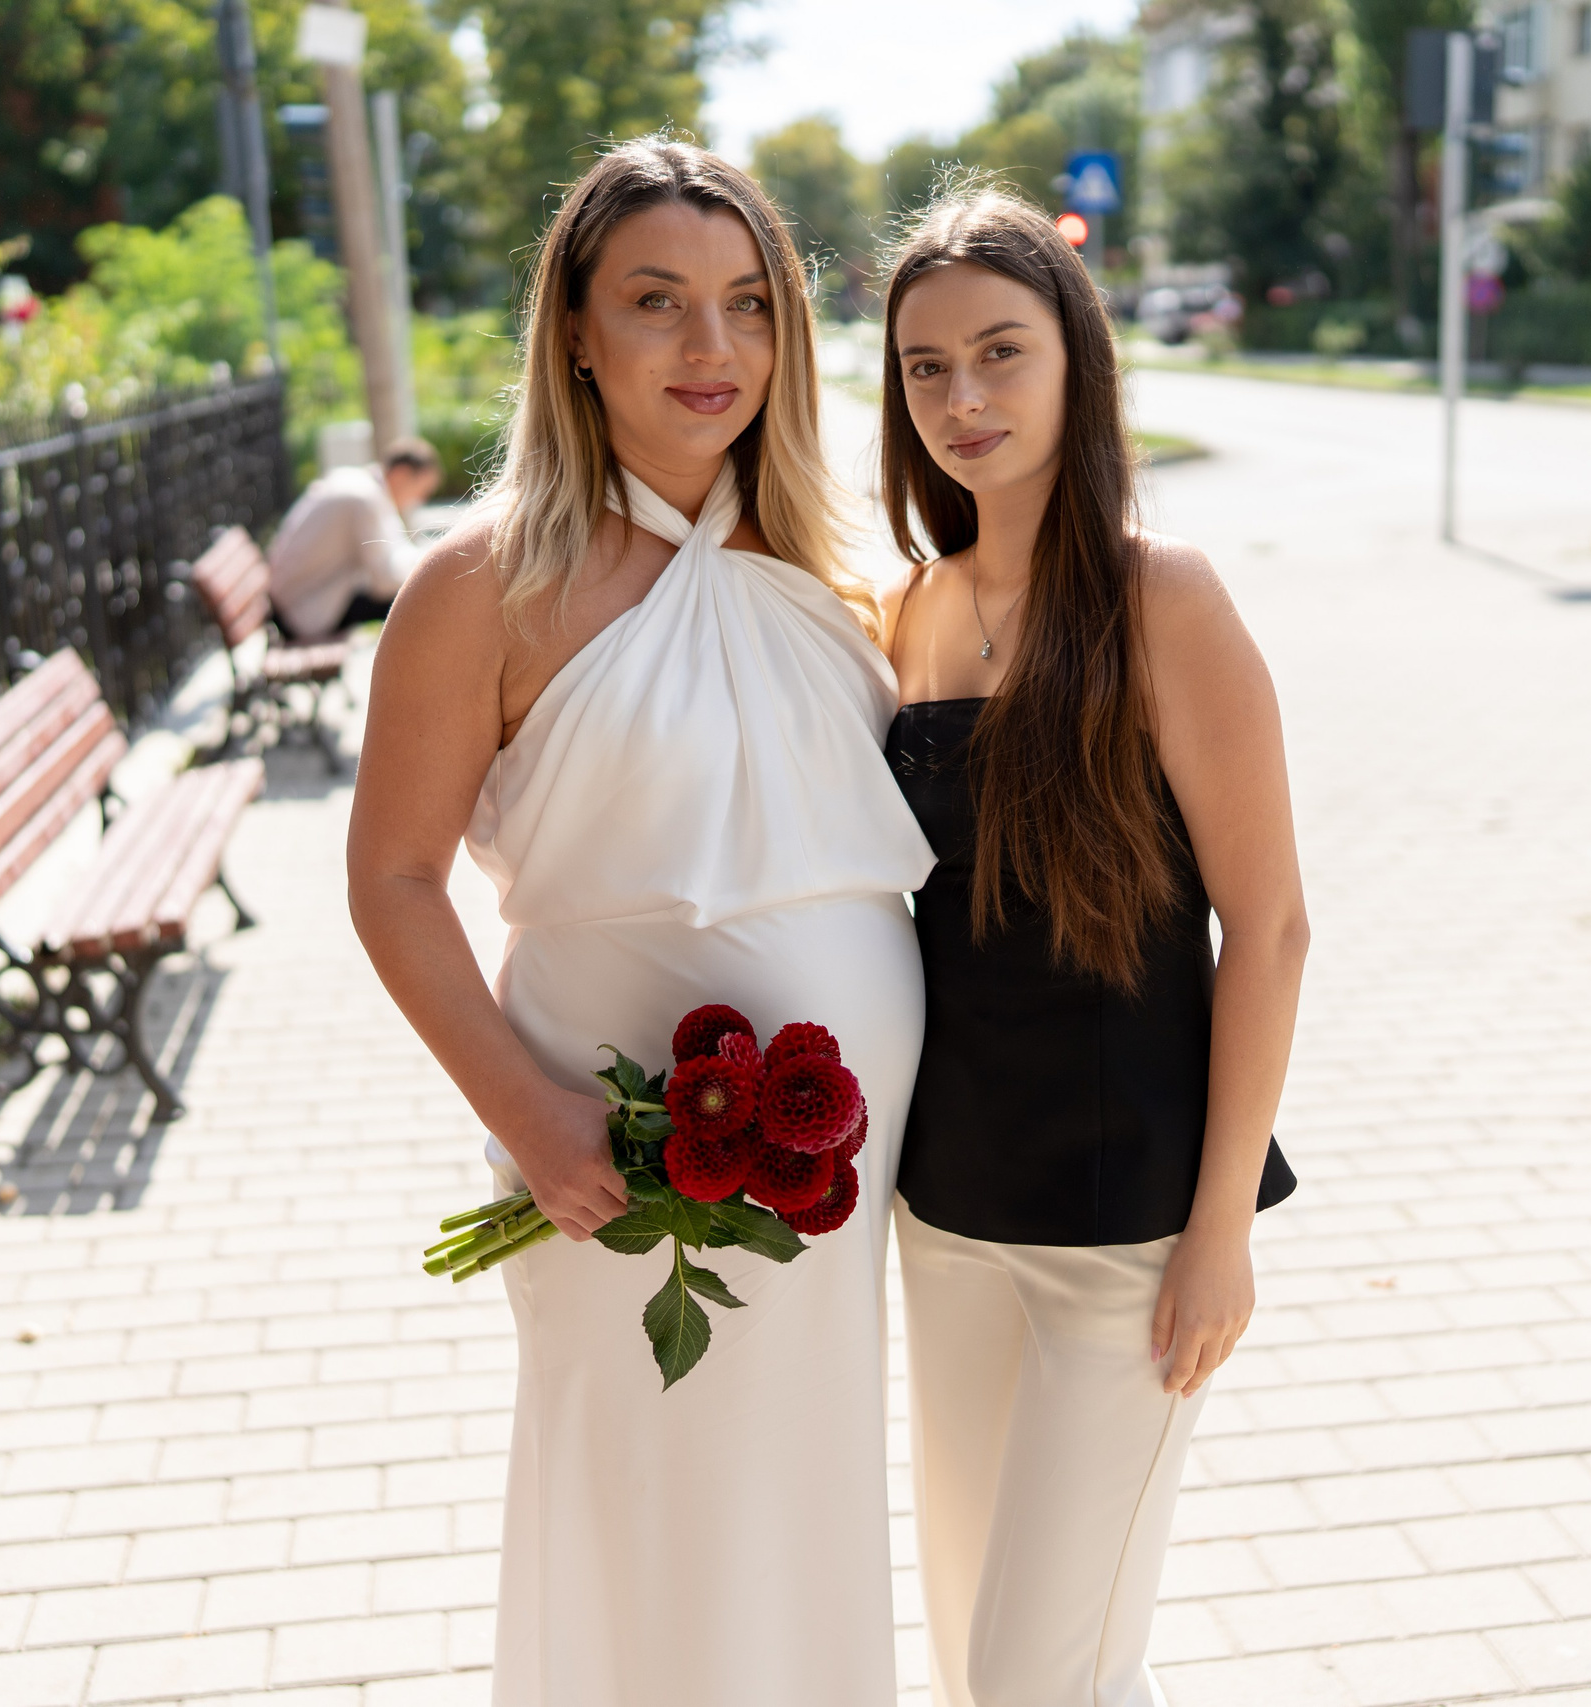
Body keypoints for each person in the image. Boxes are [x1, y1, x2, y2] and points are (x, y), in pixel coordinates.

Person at [344, 140, 931, 1707]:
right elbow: (392, 879)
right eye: (658, 302)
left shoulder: (833, 562)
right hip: (604, 1155)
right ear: (578, 333)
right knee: (641, 1496)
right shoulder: (480, 585)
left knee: (805, 1496)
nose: (710, 347)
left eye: (749, 305)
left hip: (846, 1161)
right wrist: (528, 1112)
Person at [876, 190, 1305, 1707]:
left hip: (1128, 1234)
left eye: (1001, 352)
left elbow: (1270, 925)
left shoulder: (1158, 597)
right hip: (948, 1213)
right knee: (969, 1645)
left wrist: (1221, 1231)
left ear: (1078, 361)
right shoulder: (909, 610)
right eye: (927, 367)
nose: (965, 398)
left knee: (1039, 1674)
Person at [267, 437, 443, 639]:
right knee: (419, 598)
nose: (420, 500)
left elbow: (394, 554)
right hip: (302, 613)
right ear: (402, 475)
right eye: (423, 490)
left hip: (294, 603)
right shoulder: (364, 499)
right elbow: (384, 581)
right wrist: (431, 568)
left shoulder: (362, 485)